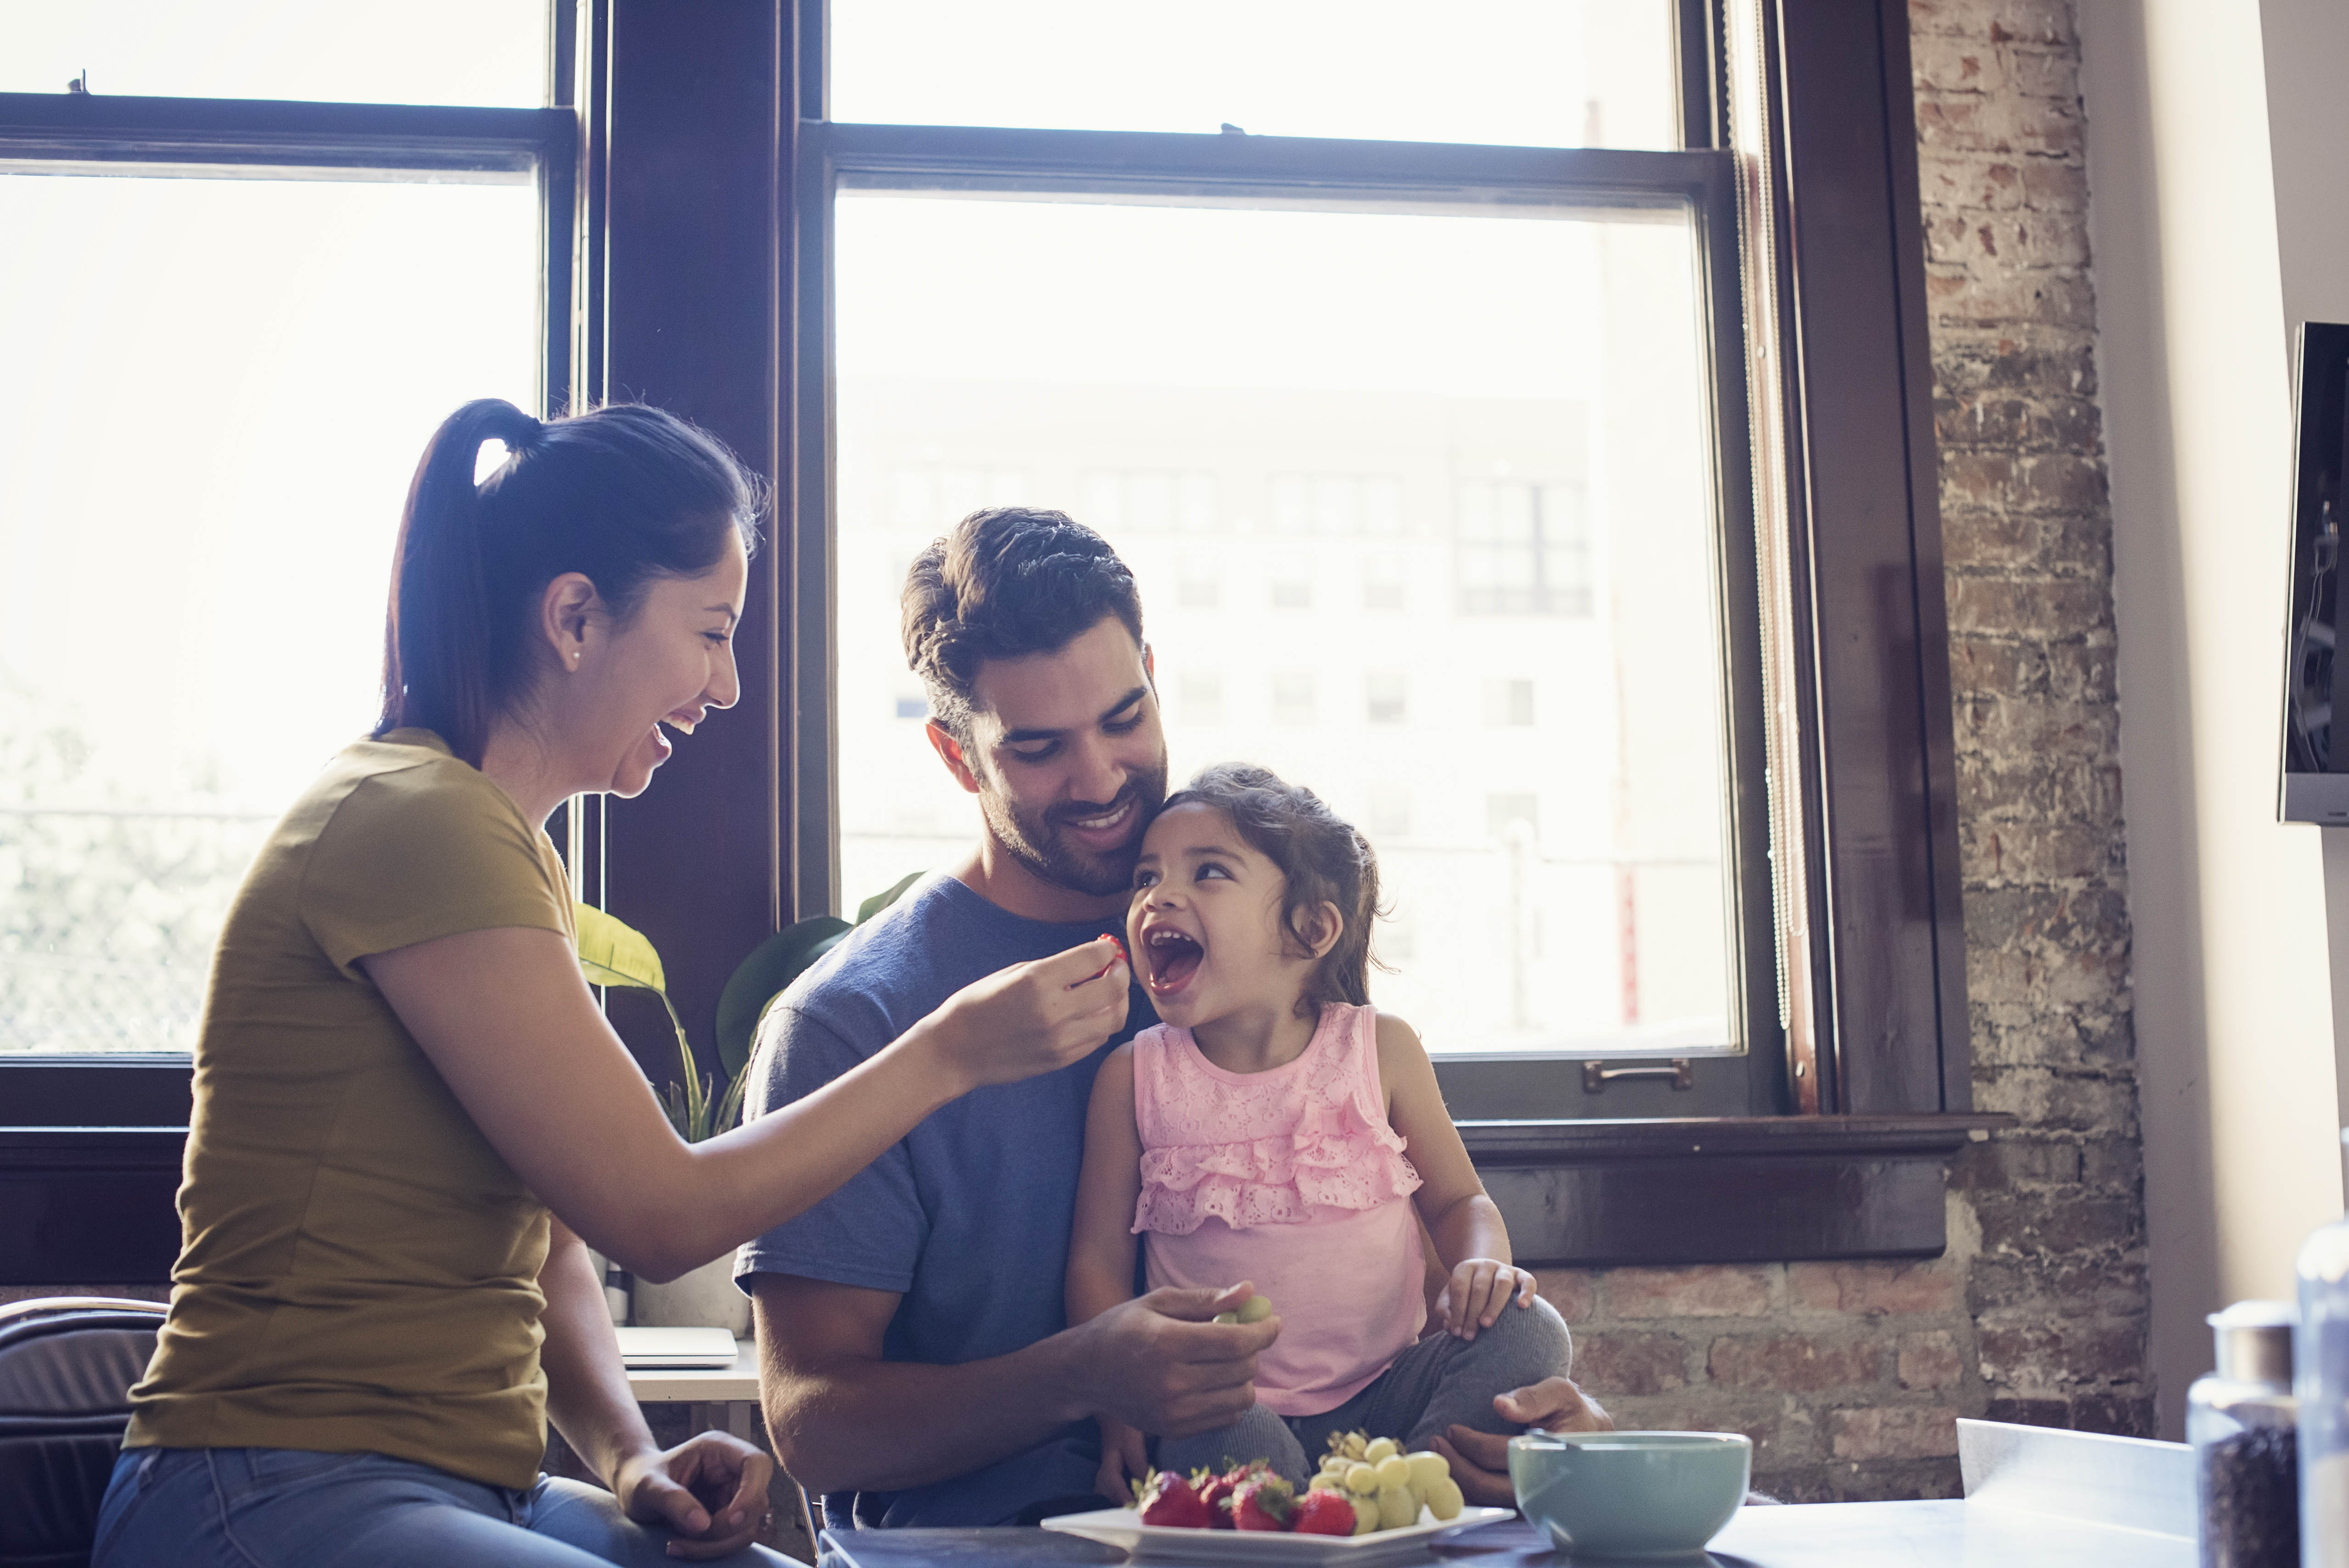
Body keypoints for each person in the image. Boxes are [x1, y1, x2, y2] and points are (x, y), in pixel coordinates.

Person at [92, 402, 1132, 1568]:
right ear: (576, 617)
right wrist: (951, 1052)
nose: (730, 684)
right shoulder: (415, 820)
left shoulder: (500, 842)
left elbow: (549, 1242)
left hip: (479, 1486)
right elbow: (659, 1210)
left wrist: (631, 1458)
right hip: (268, 1482)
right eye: (711, 631)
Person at [739, 508, 1611, 1532]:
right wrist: (1088, 1377)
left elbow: (1412, 1258)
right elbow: (812, 1425)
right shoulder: (853, 1022)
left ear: (1154, 675)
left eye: (1124, 717)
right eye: (1038, 748)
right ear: (956, 754)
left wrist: (1542, 1430)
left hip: (1350, 1526)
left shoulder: (1262, 949)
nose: (1102, 778)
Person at [1068, 763, 1575, 1494]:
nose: (1159, 896)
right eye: (1145, 877)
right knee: (1210, 1422)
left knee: (1533, 1328)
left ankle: (1410, 1493)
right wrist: (1117, 1409)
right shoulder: (1134, 1076)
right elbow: (1097, 1267)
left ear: (1310, 929)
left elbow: (1460, 1204)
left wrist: (1483, 1265)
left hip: (1388, 1394)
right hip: (1226, 1407)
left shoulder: (1382, 1049)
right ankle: (1310, 1517)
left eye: (1207, 872)